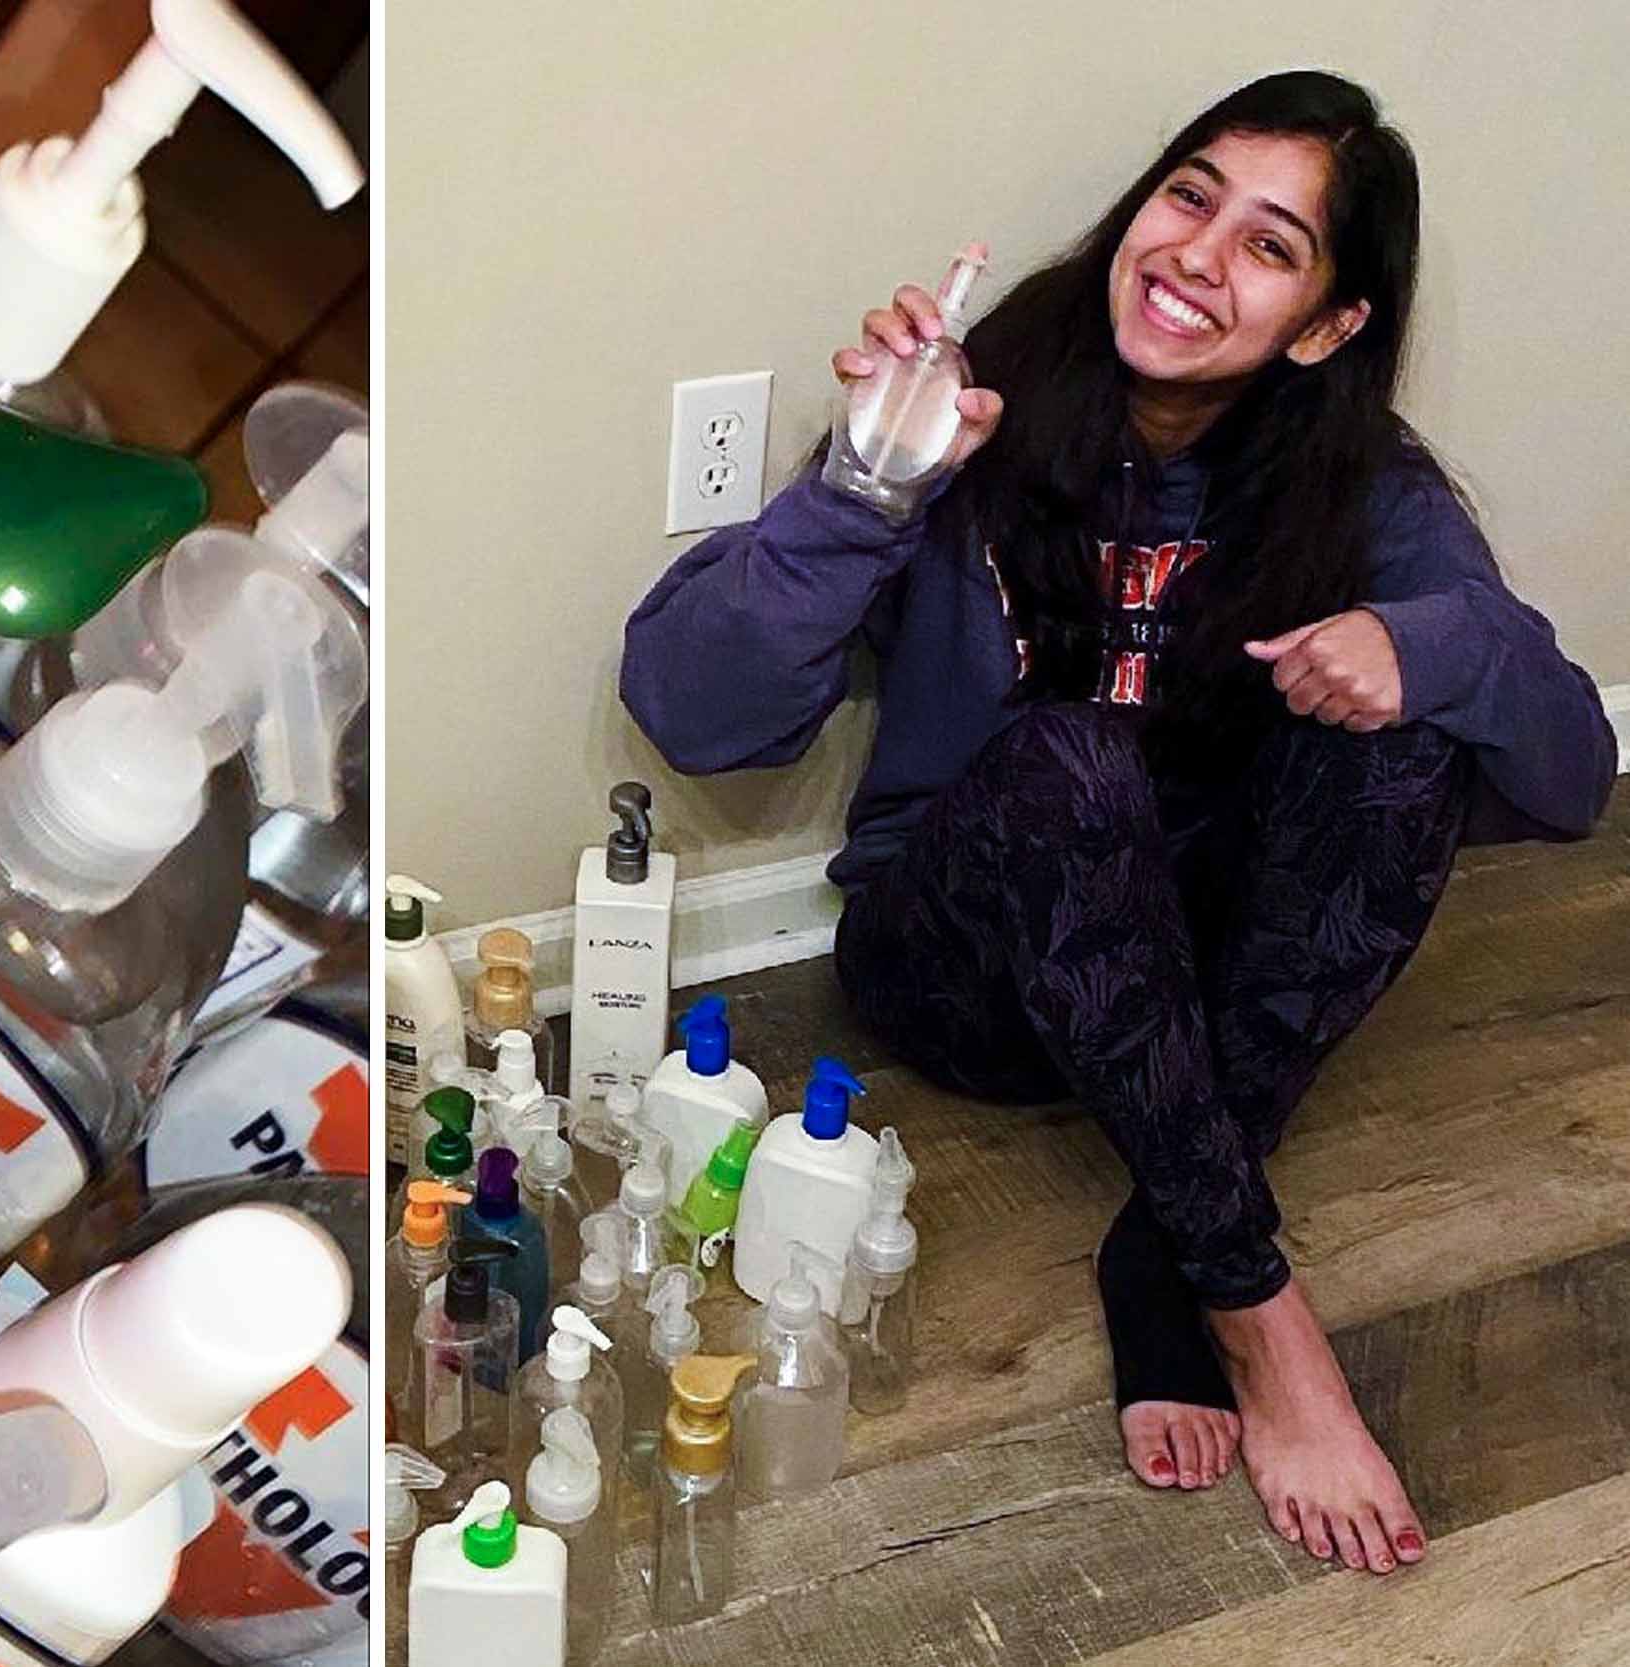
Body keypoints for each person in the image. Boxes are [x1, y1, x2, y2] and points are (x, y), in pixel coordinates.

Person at [619, 70, 1613, 1578]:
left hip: (1196, 995)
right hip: (964, 968)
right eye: (1192, 195)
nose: (1201, 256)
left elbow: (1575, 779)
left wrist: (1435, 651)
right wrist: (864, 487)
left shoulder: (1364, 492)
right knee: (1075, 761)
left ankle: (1164, 1239)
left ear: (1329, 325)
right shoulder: (975, 411)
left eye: (1275, 247)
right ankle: (1248, 1300)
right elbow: (696, 716)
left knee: (1409, 733)